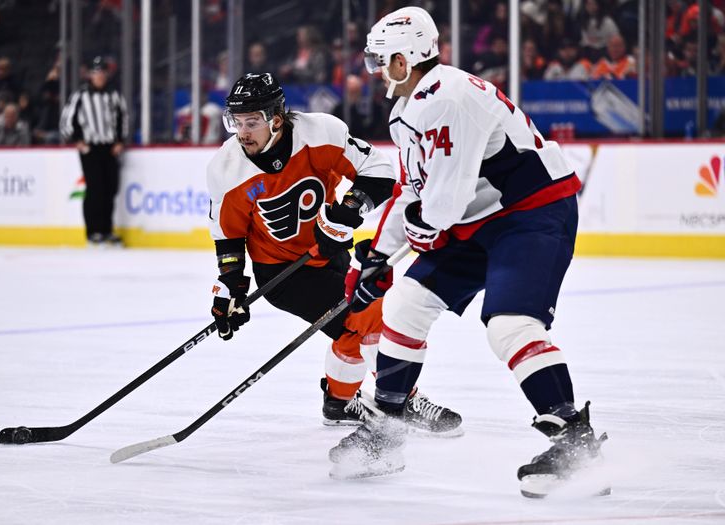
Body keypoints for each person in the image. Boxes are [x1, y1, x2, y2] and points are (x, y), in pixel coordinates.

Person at [328, 6, 608, 498]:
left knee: (510, 325)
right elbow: (413, 192)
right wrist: (374, 255)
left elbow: (441, 208)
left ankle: (574, 440)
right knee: (406, 304)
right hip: (478, 217)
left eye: (381, 60)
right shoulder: (410, 106)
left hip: (530, 214)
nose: (374, 70)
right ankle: (388, 432)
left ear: (404, 57)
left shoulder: (448, 99)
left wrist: (412, 238)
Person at [206, 72, 463, 435]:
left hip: (330, 252)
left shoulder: (321, 132)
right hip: (283, 274)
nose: (242, 132)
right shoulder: (226, 169)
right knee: (371, 316)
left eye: (252, 122)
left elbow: (378, 172)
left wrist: (349, 209)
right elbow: (228, 236)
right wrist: (231, 286)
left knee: (359, 327)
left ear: (276, 119)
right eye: (236, 122)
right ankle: (398, 398)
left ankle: (340, 402)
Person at [60, 56, 128, 246]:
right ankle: (93, 231)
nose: (99, 76)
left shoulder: (114, 95)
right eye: (96, 73)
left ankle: (106, 230)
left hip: (110, 148)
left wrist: (120, 141)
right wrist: (77, 141)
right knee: (95, 189)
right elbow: (66, 121)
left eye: (102, 73)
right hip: (90, 149)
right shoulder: (80, 96)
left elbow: (124, 117)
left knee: (110, 189)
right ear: (90, 75)